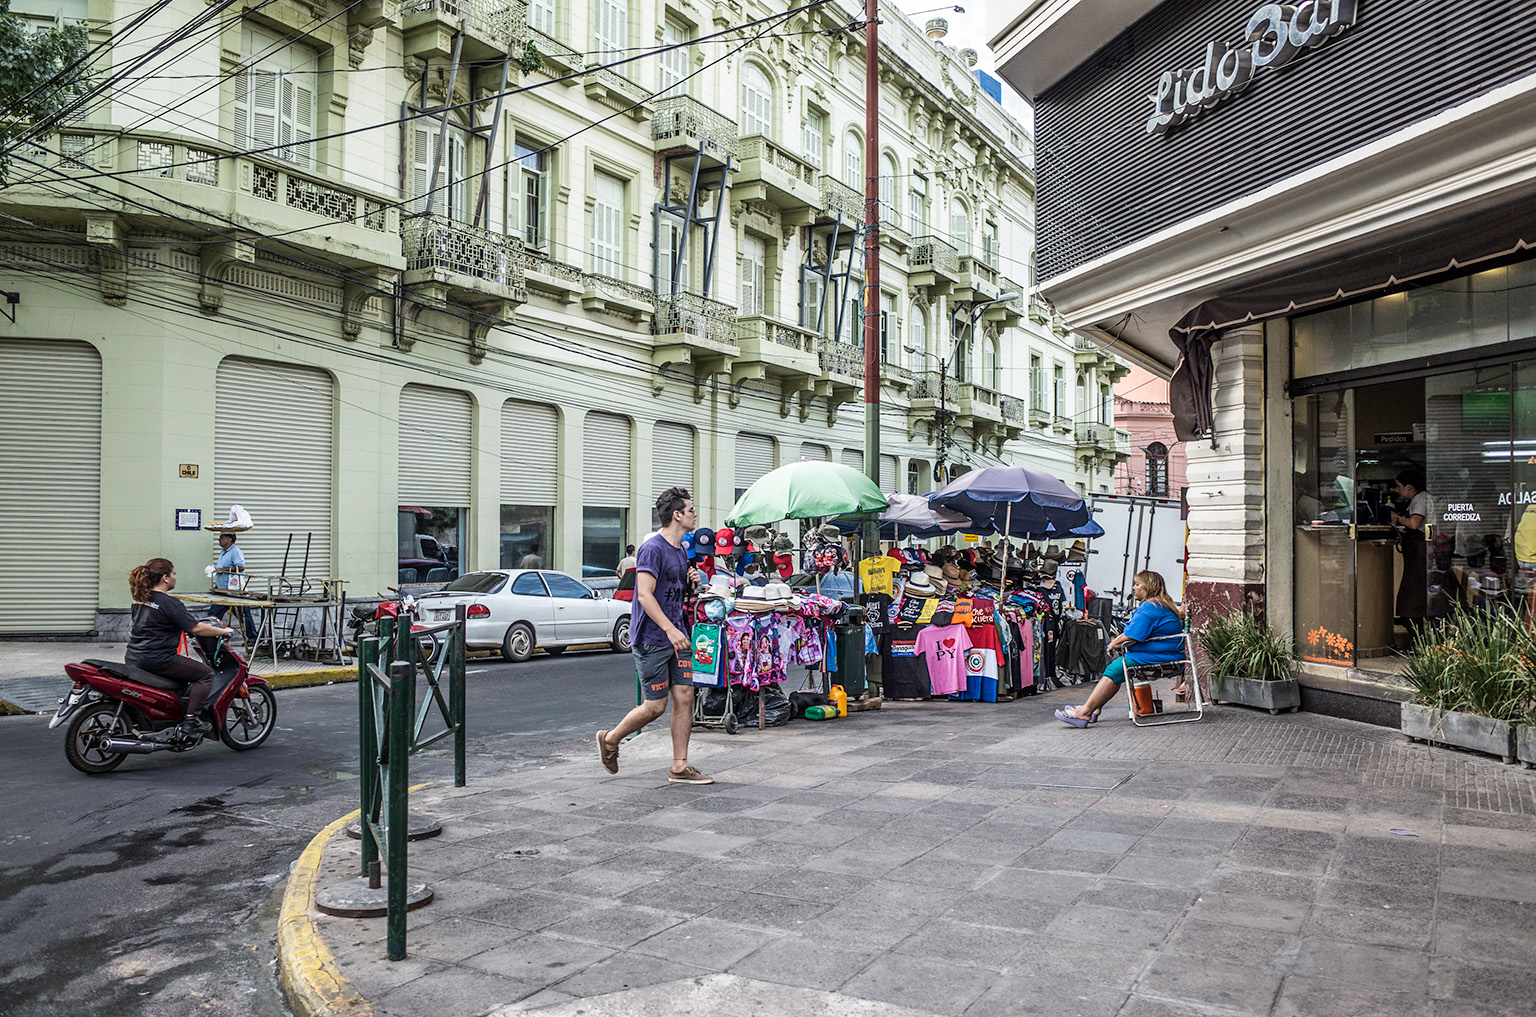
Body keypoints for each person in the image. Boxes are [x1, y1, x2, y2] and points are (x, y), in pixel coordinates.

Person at [596, 487, 712, 784]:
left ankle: (679, 766)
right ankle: (610, 740)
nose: (694, 513)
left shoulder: (680, 550)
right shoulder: (652, 548)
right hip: (653, 638)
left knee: (685, 696)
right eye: (690, 509)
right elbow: (645, 596)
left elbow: (673, 593)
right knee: (655, 706)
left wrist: (694, 583)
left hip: (679, 637)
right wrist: (670, 629)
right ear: (677, 515)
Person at [1055, 570, 1185, 727]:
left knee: (1114, 670)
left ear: (1147, 587)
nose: (1133, 587)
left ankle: (1084, 713)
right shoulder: (1162, 605)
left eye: (1137, 584)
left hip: (1160, 656)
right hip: (1166, 654)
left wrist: (1112, 644)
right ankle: (1094, 708)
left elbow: (1132, 636)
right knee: (1115, 670)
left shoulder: (1150, 608)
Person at [125, 558, 234, 734]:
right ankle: (192, 720)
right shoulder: (169, 603)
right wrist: (223, 631)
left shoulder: (140, 600)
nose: (175, 577)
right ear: (165, 578)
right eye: (173, 574)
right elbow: (196, 627)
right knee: (205, 674)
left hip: (134, 657)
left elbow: (156, 623)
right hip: (159, 659)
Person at [1391, 469, 1433, 642]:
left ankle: (1420, 642)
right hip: (1418, 555)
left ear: (1410, 486)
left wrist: (1396, 518)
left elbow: (1414, 524)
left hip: (1419, 554)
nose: (1397, 490)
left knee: (1410, 601)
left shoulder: (1420, 499)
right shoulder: (1422, 498)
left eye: (1399, 486)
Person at [207, 533, 258, 641]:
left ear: (229, 540)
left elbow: (241, 567)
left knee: (244, 616)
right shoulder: (223, 552)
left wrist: (223, 570)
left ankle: (254, 638)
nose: (219, 539)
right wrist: (217, 586)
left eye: (222, 538)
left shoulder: (235, 551)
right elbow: (221, 572)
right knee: (213, 616)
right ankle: (209, 637)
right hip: (223, 591)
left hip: (235, 592)